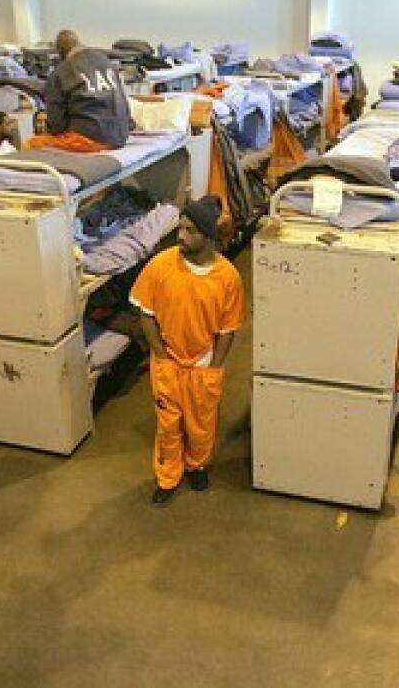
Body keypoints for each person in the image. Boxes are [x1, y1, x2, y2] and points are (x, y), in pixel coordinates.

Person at [129, 196, 246, 505]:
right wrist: (162, 355)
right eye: (180, 228)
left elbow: (227, 329)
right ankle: (168, 476)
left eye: (190, 230)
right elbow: (145, 312)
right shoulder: (160, 265)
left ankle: (197, 465)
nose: (181, 236)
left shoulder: (228, 278)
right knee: (168, 425)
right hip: (168, 361)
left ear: (208, 236)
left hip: (203, 364)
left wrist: (214, 367)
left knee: (201, 423)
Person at [32, 29, 131, 151]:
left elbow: (57, 126)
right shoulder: (106, 62)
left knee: (32, 144)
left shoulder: (60, 72)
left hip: (91, 139)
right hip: (120, 135)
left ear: (60, 53)